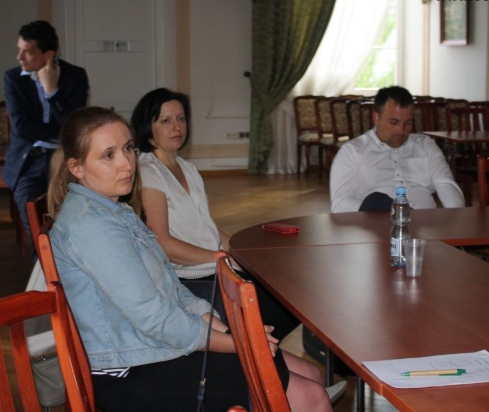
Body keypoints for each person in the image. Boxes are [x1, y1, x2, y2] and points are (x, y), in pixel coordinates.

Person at [46, 107, 337, 411]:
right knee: (310, 395)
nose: (127, 164)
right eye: (108, 155)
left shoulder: (115, 210)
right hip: (129, 371)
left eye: (128, 148)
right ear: (77, 168)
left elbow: (172, 288)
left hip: (153, 348)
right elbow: (156, 318)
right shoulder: (92, 225)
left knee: (309, 373)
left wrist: (229, 331)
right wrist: (240, 342)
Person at [131, 88, 299, 341]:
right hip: (192, 280)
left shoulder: (187, 168)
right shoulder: (149, 172)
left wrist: (243, 255)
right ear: (147, 128)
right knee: (282, 305)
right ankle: (255, 357)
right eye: (165, 121)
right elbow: (162, 244)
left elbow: (207, 226)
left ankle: (260, 357)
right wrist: (220, 257)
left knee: (287, 292)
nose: (176, 127)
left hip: (215, 267)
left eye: (181, 118)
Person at [3, 20, 89, 246]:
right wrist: (60, 133)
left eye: (28, 52)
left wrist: (52, 91)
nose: (19, 57)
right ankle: (44, 268)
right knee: (39, 237)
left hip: (65, 163)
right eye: (19, 49)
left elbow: (75, 124)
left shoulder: (75, 76)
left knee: (71, 232)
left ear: (48, 54)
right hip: (29, 164)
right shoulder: (12, 78)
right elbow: (22, 128)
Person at [330, 86, 465, 212]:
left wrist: (455, 215)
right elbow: (340, 203)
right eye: (394, 122)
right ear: (376, 117)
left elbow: (445, 183)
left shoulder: (425, 145)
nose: (401, 131)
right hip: (378, 223)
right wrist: (386, 210)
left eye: (408, 123)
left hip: (425, 222)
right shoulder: (352, 151)